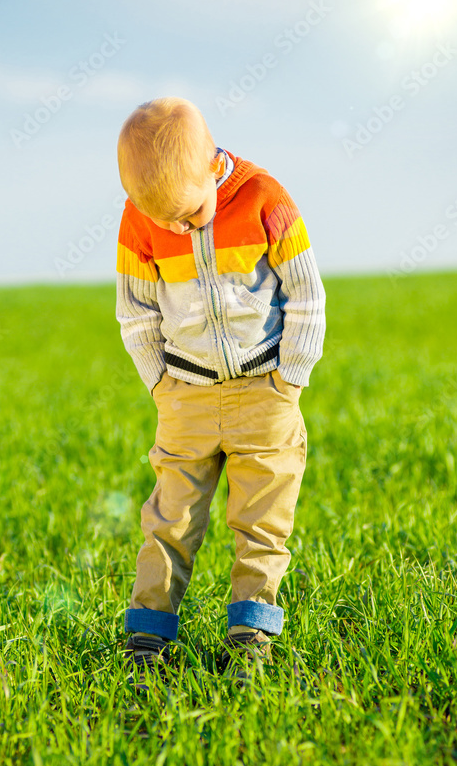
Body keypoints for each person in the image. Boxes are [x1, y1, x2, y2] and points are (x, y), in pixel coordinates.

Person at [115, 96, 325, 686]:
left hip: (265, 388)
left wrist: (290, 378)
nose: (180, 229)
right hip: (185, 393)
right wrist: (160, 383)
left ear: (213, 166)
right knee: (169, 517)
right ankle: (147, 635)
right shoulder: (142, 218)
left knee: (262, 517)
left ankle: (251, 630)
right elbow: (135, 313)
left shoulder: (266, 199)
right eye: (167, 223)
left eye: (190, 215)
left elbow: (305, 294)